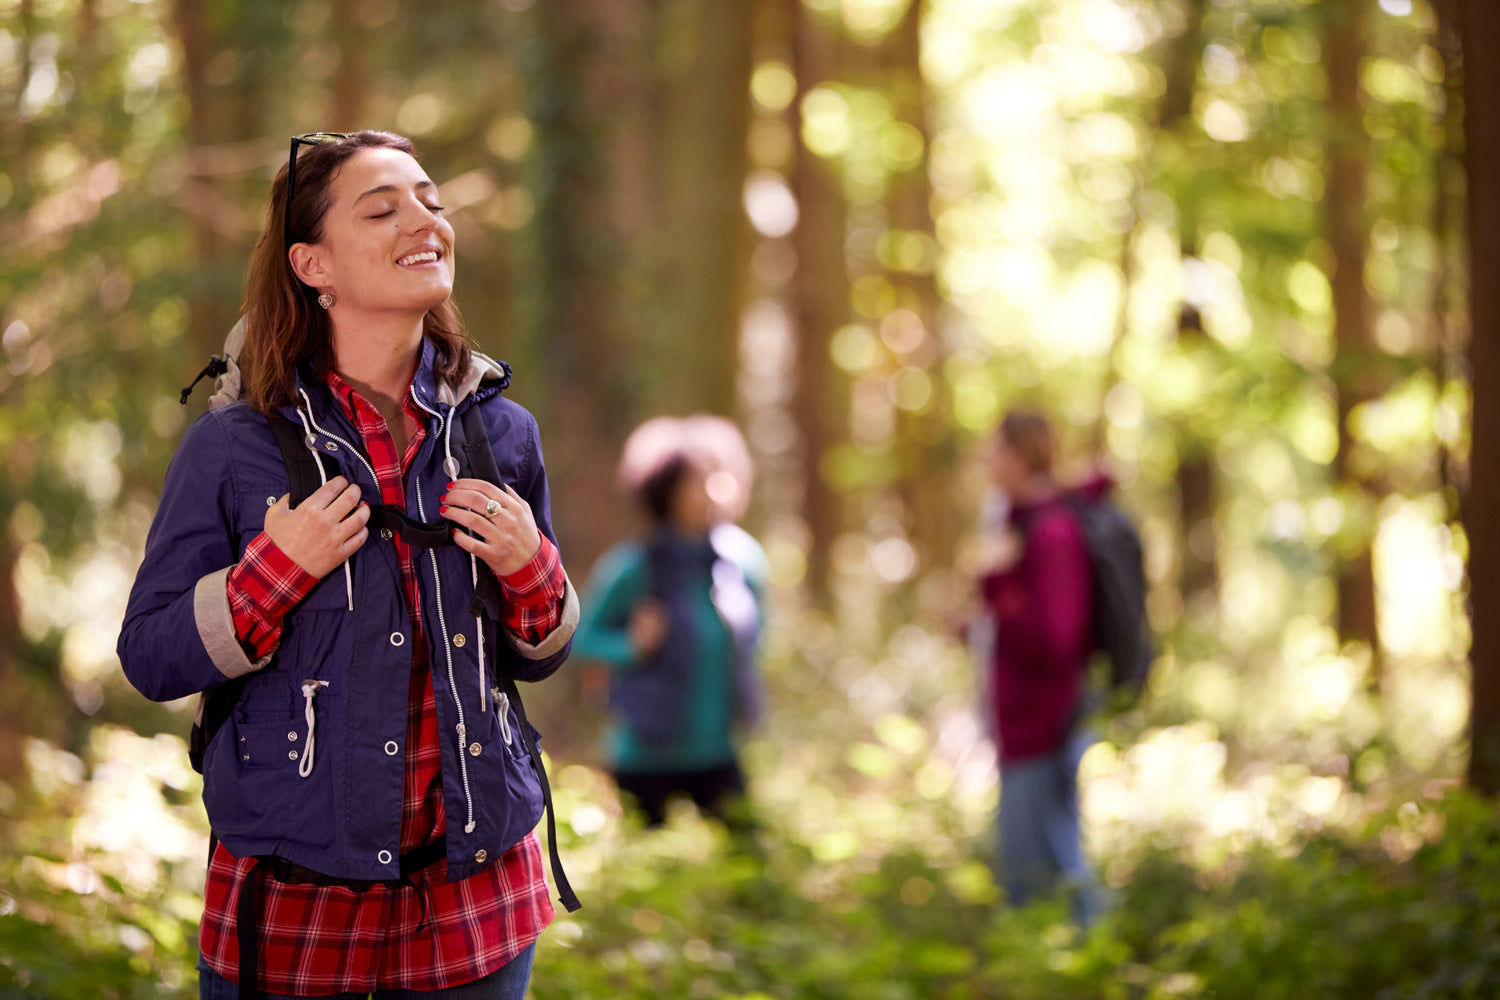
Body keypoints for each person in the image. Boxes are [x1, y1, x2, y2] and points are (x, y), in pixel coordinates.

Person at [117, 131, 579, 999]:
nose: (425, 220)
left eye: (432, 202)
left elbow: (538, 656)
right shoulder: (231, 448)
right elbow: (149, 654)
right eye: (384, 208)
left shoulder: (502, 434)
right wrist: (273, 573)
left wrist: (533, 569)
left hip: (478, 902)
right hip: (295, 911)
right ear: (312, 264)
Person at [574, 420, 766, 830]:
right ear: (666, 492)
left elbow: (755, 644)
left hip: (718, 751)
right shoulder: (634, 566)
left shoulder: (742, 563)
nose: (713, 488)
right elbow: (579, 638)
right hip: (646, 754)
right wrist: (632, 645)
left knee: (749, 874)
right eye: (697, 481)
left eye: (718, 475)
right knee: (643, 879)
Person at [977, 408, 1104, 924]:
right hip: (1026, 724)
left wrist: (997, 588)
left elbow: (1056, 638)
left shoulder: (1051, 532)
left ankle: (1094, 973)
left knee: (1048, 873)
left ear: (1019, 455)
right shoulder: (1025, 525)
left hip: (1043, 725)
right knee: (1033, 869)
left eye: (993, 450)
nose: (985, 461)